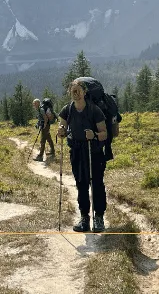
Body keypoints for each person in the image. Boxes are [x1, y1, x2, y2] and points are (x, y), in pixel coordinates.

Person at [57, 79, 108, 233]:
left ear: (85, 92)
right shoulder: (67, 110)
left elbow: (104, 134)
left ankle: (98, 217)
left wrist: (94, 135)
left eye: (79, 90)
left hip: (94, 152)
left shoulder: (94, 110)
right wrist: (61, 132)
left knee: (97, 184)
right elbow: (63, 129)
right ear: (69, 93)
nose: (76, 93)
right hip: (77, 152)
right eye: (73, 91)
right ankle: (84, 218)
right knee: (81, 184)